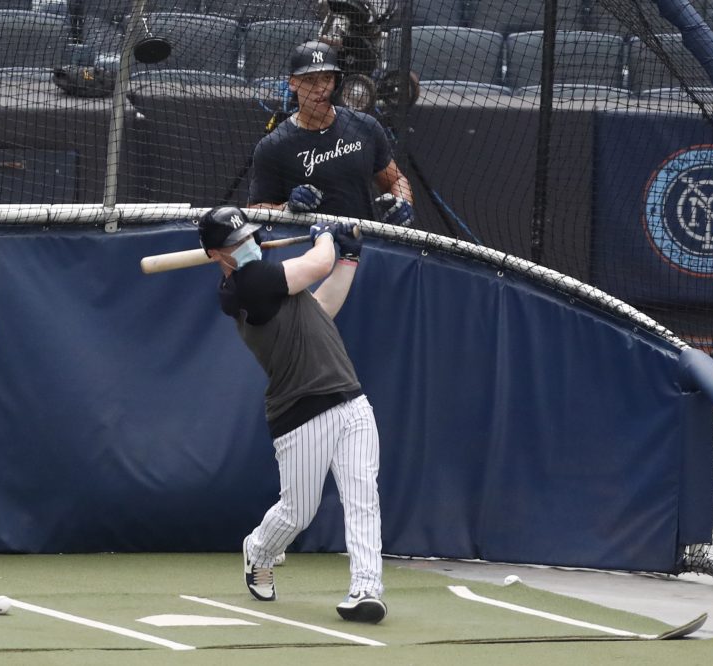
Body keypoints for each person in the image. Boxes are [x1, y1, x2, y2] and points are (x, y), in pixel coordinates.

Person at [197, 205, 387, 624]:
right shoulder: (247, 286)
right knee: (298, 511)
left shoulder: (271, 281)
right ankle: (261, 548)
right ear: (217, 255)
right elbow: (318, 262)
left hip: (350, 398)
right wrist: (325, 235)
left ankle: (366, 588)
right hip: (299, 410)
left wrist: (349, 258)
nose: (245, 245)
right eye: (233, 244)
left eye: (246, 237)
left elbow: (323, 306)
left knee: (362, 498)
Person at [248, 40, 415, 227]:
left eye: (326, 78)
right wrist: (287, 208)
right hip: (307, 251)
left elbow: (396, 180)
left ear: (336, 81)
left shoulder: (366, 126)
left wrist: (403, 203)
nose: (320, 88)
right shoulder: (273, 146)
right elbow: (255, 210)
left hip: (362, 246)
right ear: (293, 83)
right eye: (310, 79)